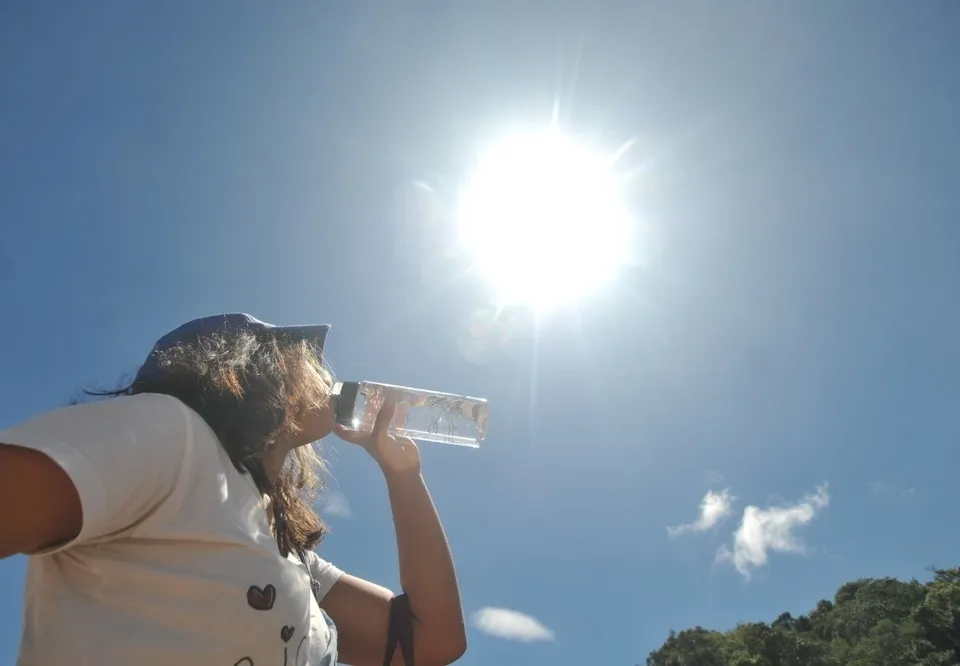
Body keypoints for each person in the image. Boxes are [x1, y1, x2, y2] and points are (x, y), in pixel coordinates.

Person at [0, 313, 467, 666]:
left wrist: (403, 474)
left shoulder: (290, 555)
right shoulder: (170, 436)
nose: (324, 372)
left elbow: (433, 642)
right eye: (303, 357)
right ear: (250, 368)